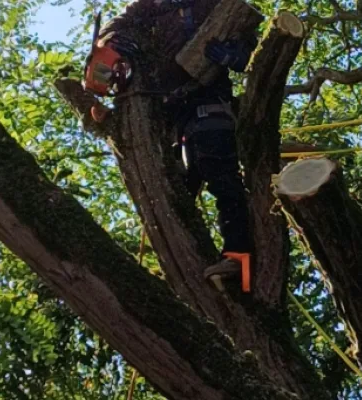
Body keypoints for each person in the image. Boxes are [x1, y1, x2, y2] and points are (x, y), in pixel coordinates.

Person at [87, 0, 257, 285]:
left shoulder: (214, 7)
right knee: (173, 188)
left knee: (219, 171)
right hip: (165, 114)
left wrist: (235, 56)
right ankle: (180, 271)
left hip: (207, 96)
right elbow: (109, 39)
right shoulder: (142, 12)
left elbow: (251, 50)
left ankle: (239, 256)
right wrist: (111, 49)